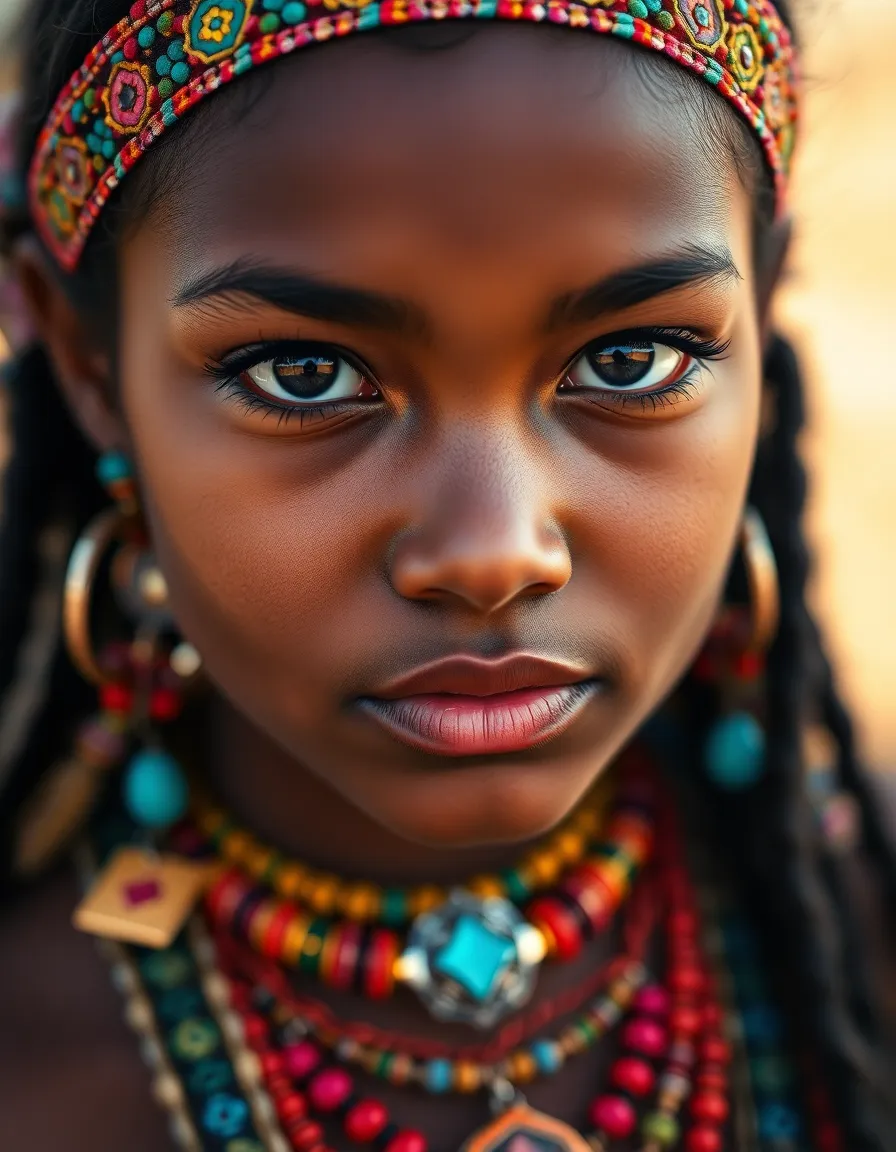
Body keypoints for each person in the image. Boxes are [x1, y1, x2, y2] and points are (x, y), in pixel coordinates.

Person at [0, 0, 892, 1148]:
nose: (492, 551)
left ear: (761, 319)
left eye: (630, 361)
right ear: (90, 368)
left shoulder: (858, 939)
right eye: (307, 376)